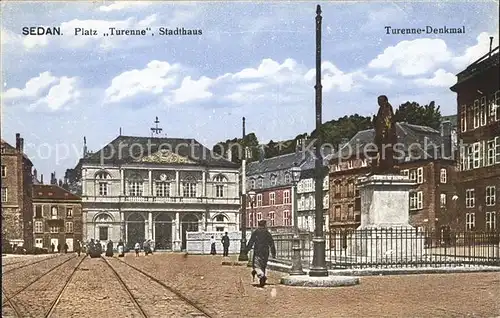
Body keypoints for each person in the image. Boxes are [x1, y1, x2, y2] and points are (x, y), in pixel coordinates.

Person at [372, 95, 399, 175]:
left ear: (385, 101)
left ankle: (386, 167)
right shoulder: (381, 109)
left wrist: (384, 132)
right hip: (382, 133)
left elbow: (388, 122)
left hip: (386, 134)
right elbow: (380, 122)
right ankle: (378, 167)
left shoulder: (387, 108)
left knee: (385, 151)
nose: (378, 102)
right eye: (378, 101)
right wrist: (375, 121)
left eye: (379, 101)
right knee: (377, 150)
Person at [246, 220, 276, 287]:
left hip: (257, 251)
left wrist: (247, 250)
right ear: (265, 225)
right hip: (265, 252)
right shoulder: (267, 233)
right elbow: (271, 243)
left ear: (258, 225)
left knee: (256, 265)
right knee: (263, 265)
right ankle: (262, 278)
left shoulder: (255, 232)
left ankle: (261, 276)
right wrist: (273, 253)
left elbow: (251, 242)